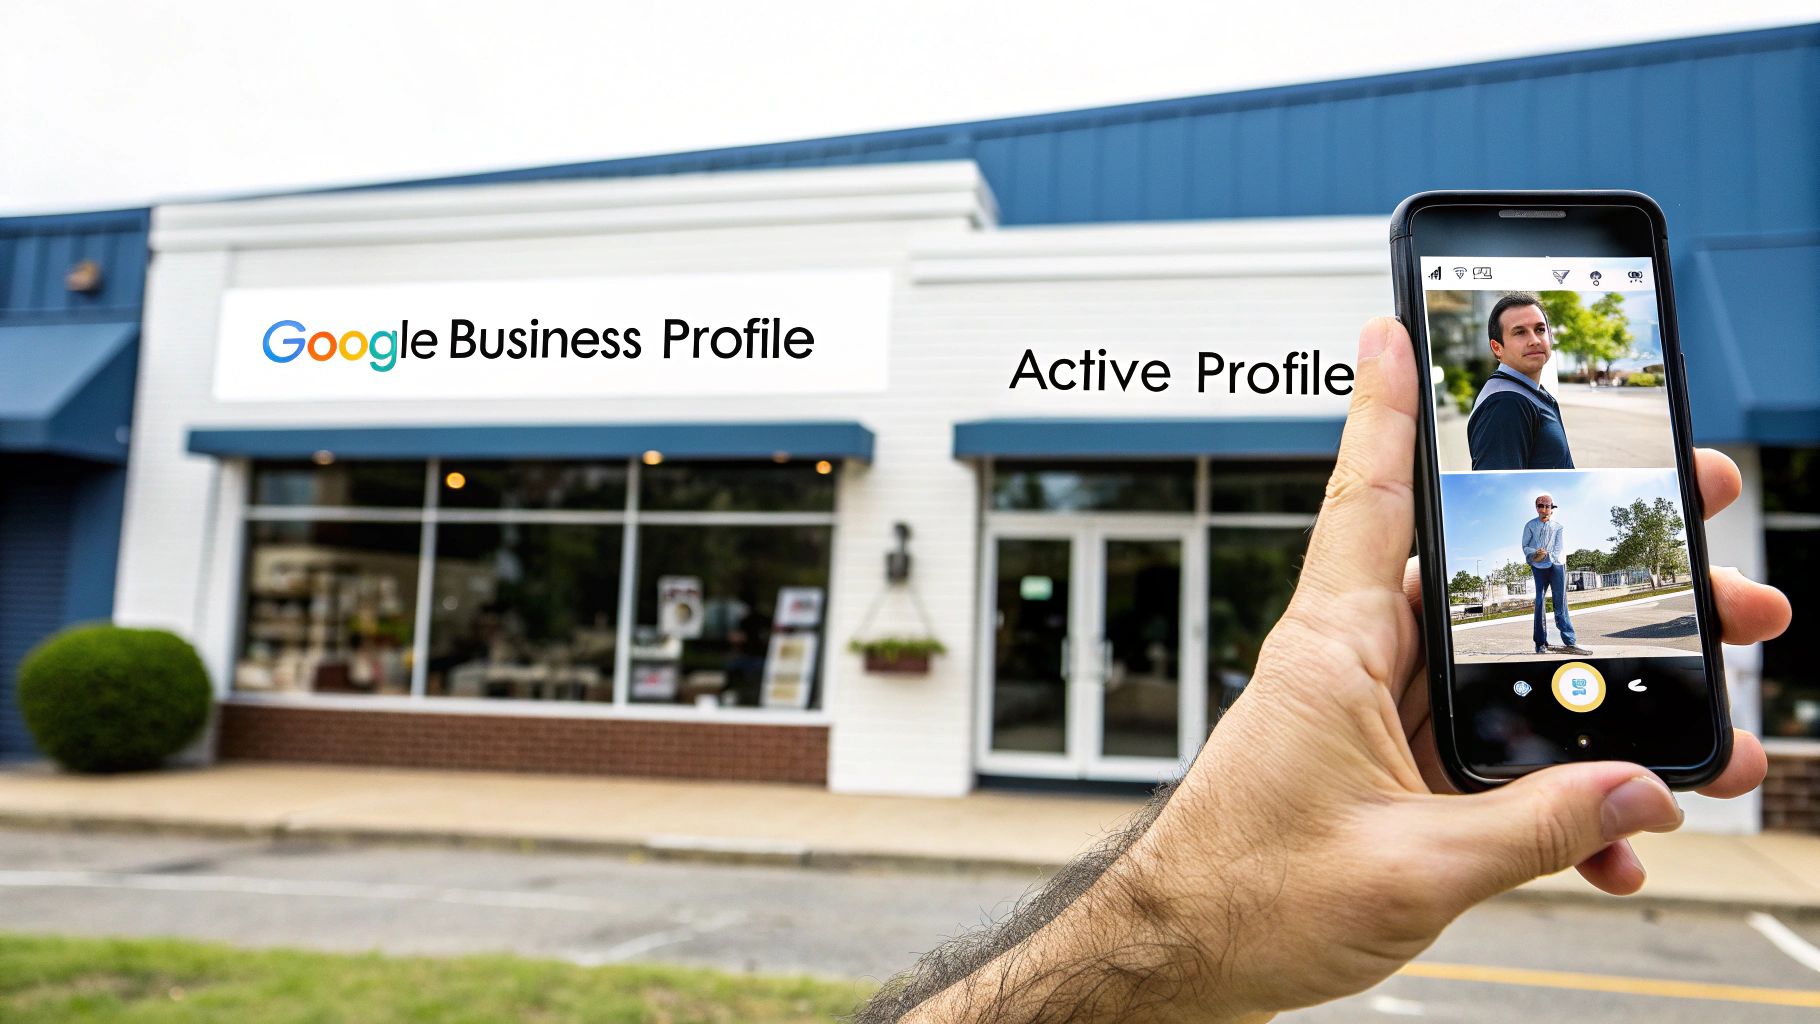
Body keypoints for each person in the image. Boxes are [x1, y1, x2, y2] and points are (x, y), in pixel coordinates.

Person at [856, 318, 1789, 1024]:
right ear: (1497, 341)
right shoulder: (1505, 411)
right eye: (1527, 328)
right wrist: (1184, 923)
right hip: (1540, 572)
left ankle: (1558, 640)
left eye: (1549, 326)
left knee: (1562, 614)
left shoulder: (1545, 419)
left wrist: (1181, 932)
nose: (1542, 338)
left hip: (1550, 574)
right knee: (1551, 610)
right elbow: (1508, 491)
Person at [1466, 292, 1576, 471]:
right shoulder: (1506, 403)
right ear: (1497, 348)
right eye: (1520, 332)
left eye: (1540, 329)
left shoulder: (1528, 390)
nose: (1534, 340)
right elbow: (1499, 487)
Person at [1524, 492, 1588, 656]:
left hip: (1557, 565)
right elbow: (1525, 546)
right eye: (1541, 506)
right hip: (1538, 566)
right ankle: (1540, 643)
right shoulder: (1530, 525)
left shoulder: (1558, 527)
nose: (1544, 509)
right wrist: (1535, 553)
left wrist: (1547, 554)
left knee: (1560, 602)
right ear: (1536, 508)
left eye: (1547, 506)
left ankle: (1570, 641)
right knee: (1539, 601)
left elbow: (1559, 549)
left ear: (1552, 509)